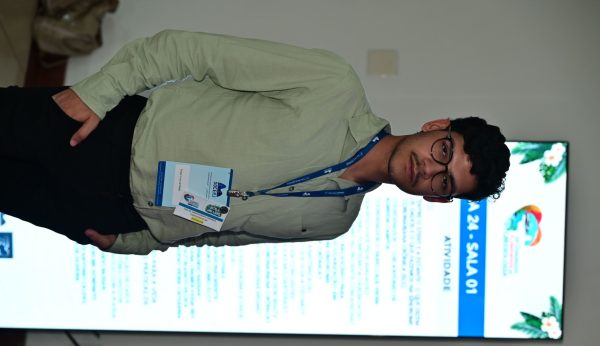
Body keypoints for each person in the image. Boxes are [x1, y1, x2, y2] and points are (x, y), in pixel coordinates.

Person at [0, 30, 510, 255]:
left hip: (114, 215)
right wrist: (100, 93)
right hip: (107, 136)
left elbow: (220, 234)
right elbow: (189, 51)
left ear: (437, 199)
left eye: (445, 182)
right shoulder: (333, 87)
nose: (430, 170)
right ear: (435, 125)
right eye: (444, 151)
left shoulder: (334, 222)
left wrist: (136, 242)